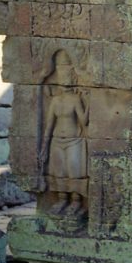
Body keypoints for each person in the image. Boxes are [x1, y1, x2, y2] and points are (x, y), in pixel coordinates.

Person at [38, 50, 89, 217]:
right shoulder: (55, 101)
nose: (63, 79)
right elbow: (49, 126)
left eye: (66, 75)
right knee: (59, 171)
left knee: (73, 170)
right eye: (60, 75)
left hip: (74, 140)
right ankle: (62, 199)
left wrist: (88, 103)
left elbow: (83, 121)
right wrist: (44, 147)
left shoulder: (75, 100)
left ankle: (76, 201)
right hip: (57, 140)